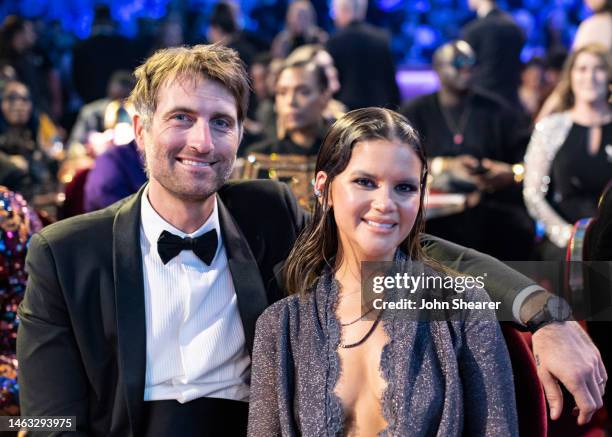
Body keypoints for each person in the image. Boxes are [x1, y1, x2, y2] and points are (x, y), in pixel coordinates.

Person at [16, 44, 607, 435]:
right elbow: (49, 422)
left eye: (220, 122)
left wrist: (544, 311)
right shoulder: (65, 253)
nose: (202, 140)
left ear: (241, 135)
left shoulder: (265, 212)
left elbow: (407, 255)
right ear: (140, 129)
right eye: (181, 118)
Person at [248, 107, 519, 435]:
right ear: (324, 188)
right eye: (365, 182)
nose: (385, 203)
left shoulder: (463, 308)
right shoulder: (280, 325)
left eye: (404, 188)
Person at [401, 41, 534, 260]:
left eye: (471, 63)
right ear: (438, 68)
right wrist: (443, 166)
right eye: (458, 63)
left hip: (491, 210)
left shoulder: (499, 111)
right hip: (431, 215)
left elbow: (527, 163)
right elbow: (401, 162)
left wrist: (511, 173)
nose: (466, 69)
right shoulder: (416, 112)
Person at [524, 43, 612, 260]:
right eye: (582, 69)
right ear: (570, 76)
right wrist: (568, 237)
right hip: (563, 242)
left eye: (598, 69)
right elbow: (533, 195)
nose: (589, 76)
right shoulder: (551, 127)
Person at [246, 60, 331, 156]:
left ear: (325, 97)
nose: (290, 101)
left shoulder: (340, 154)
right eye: (282, 92)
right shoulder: (261, 156)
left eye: (303, 92)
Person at [326, 0, 400, 110]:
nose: (334, 17)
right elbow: (390, 78)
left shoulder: (334, 40)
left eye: (335, 12)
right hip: (379, 108)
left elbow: (332, 81)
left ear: (345, 10)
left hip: (346, 111)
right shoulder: (382, 38)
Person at [461, 0, 526, 106]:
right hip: (511, 100)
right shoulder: (515, 28)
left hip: (482, 103)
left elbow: (465, 68)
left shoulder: (474, 30)